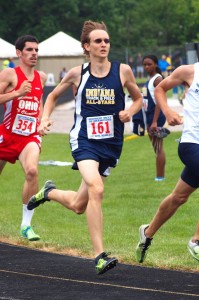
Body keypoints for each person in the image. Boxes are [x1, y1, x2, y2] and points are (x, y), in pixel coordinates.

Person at [27, 20, 143, 274]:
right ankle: (99, 255)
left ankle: (48, 193)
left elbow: (137, 99)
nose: (104, 45)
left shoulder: (122, 71)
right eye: (98, 41)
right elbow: (53, 96)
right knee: (96, 189)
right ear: (86, 46)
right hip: (84, 140)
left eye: (107, 40)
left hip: (112, 144)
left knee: (80, 205)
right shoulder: (77, 73)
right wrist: (44, 118)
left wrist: (129, 112)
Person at [136, 61, 199, 263]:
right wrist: (168, 112)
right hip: (192, 143)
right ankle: (196, 241)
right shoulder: (190, 71)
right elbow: (160, 88)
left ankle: (147, 232)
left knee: (179, 197)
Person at [0, 35, 47, 241]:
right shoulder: (10, 74)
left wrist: (43, 121)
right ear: (19, 53)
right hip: (8, 134)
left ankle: (26, 225)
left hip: (29, 137)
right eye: (29, 50)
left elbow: (39, 102)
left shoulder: (41, 77)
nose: (34, 53)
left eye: (36, 50)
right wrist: (17, 93)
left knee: (32, 171)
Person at [141, 54, 167, 181]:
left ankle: (160, 177)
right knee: (156, 147)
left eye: (149, 64)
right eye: (144, 64)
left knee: (158, 147)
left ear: (156, 64)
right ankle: (159, 176)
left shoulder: (157, 79)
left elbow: (160, 101)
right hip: (149, 116)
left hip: (156, 118)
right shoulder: (150, 79)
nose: (146, 67)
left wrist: (155, 121)